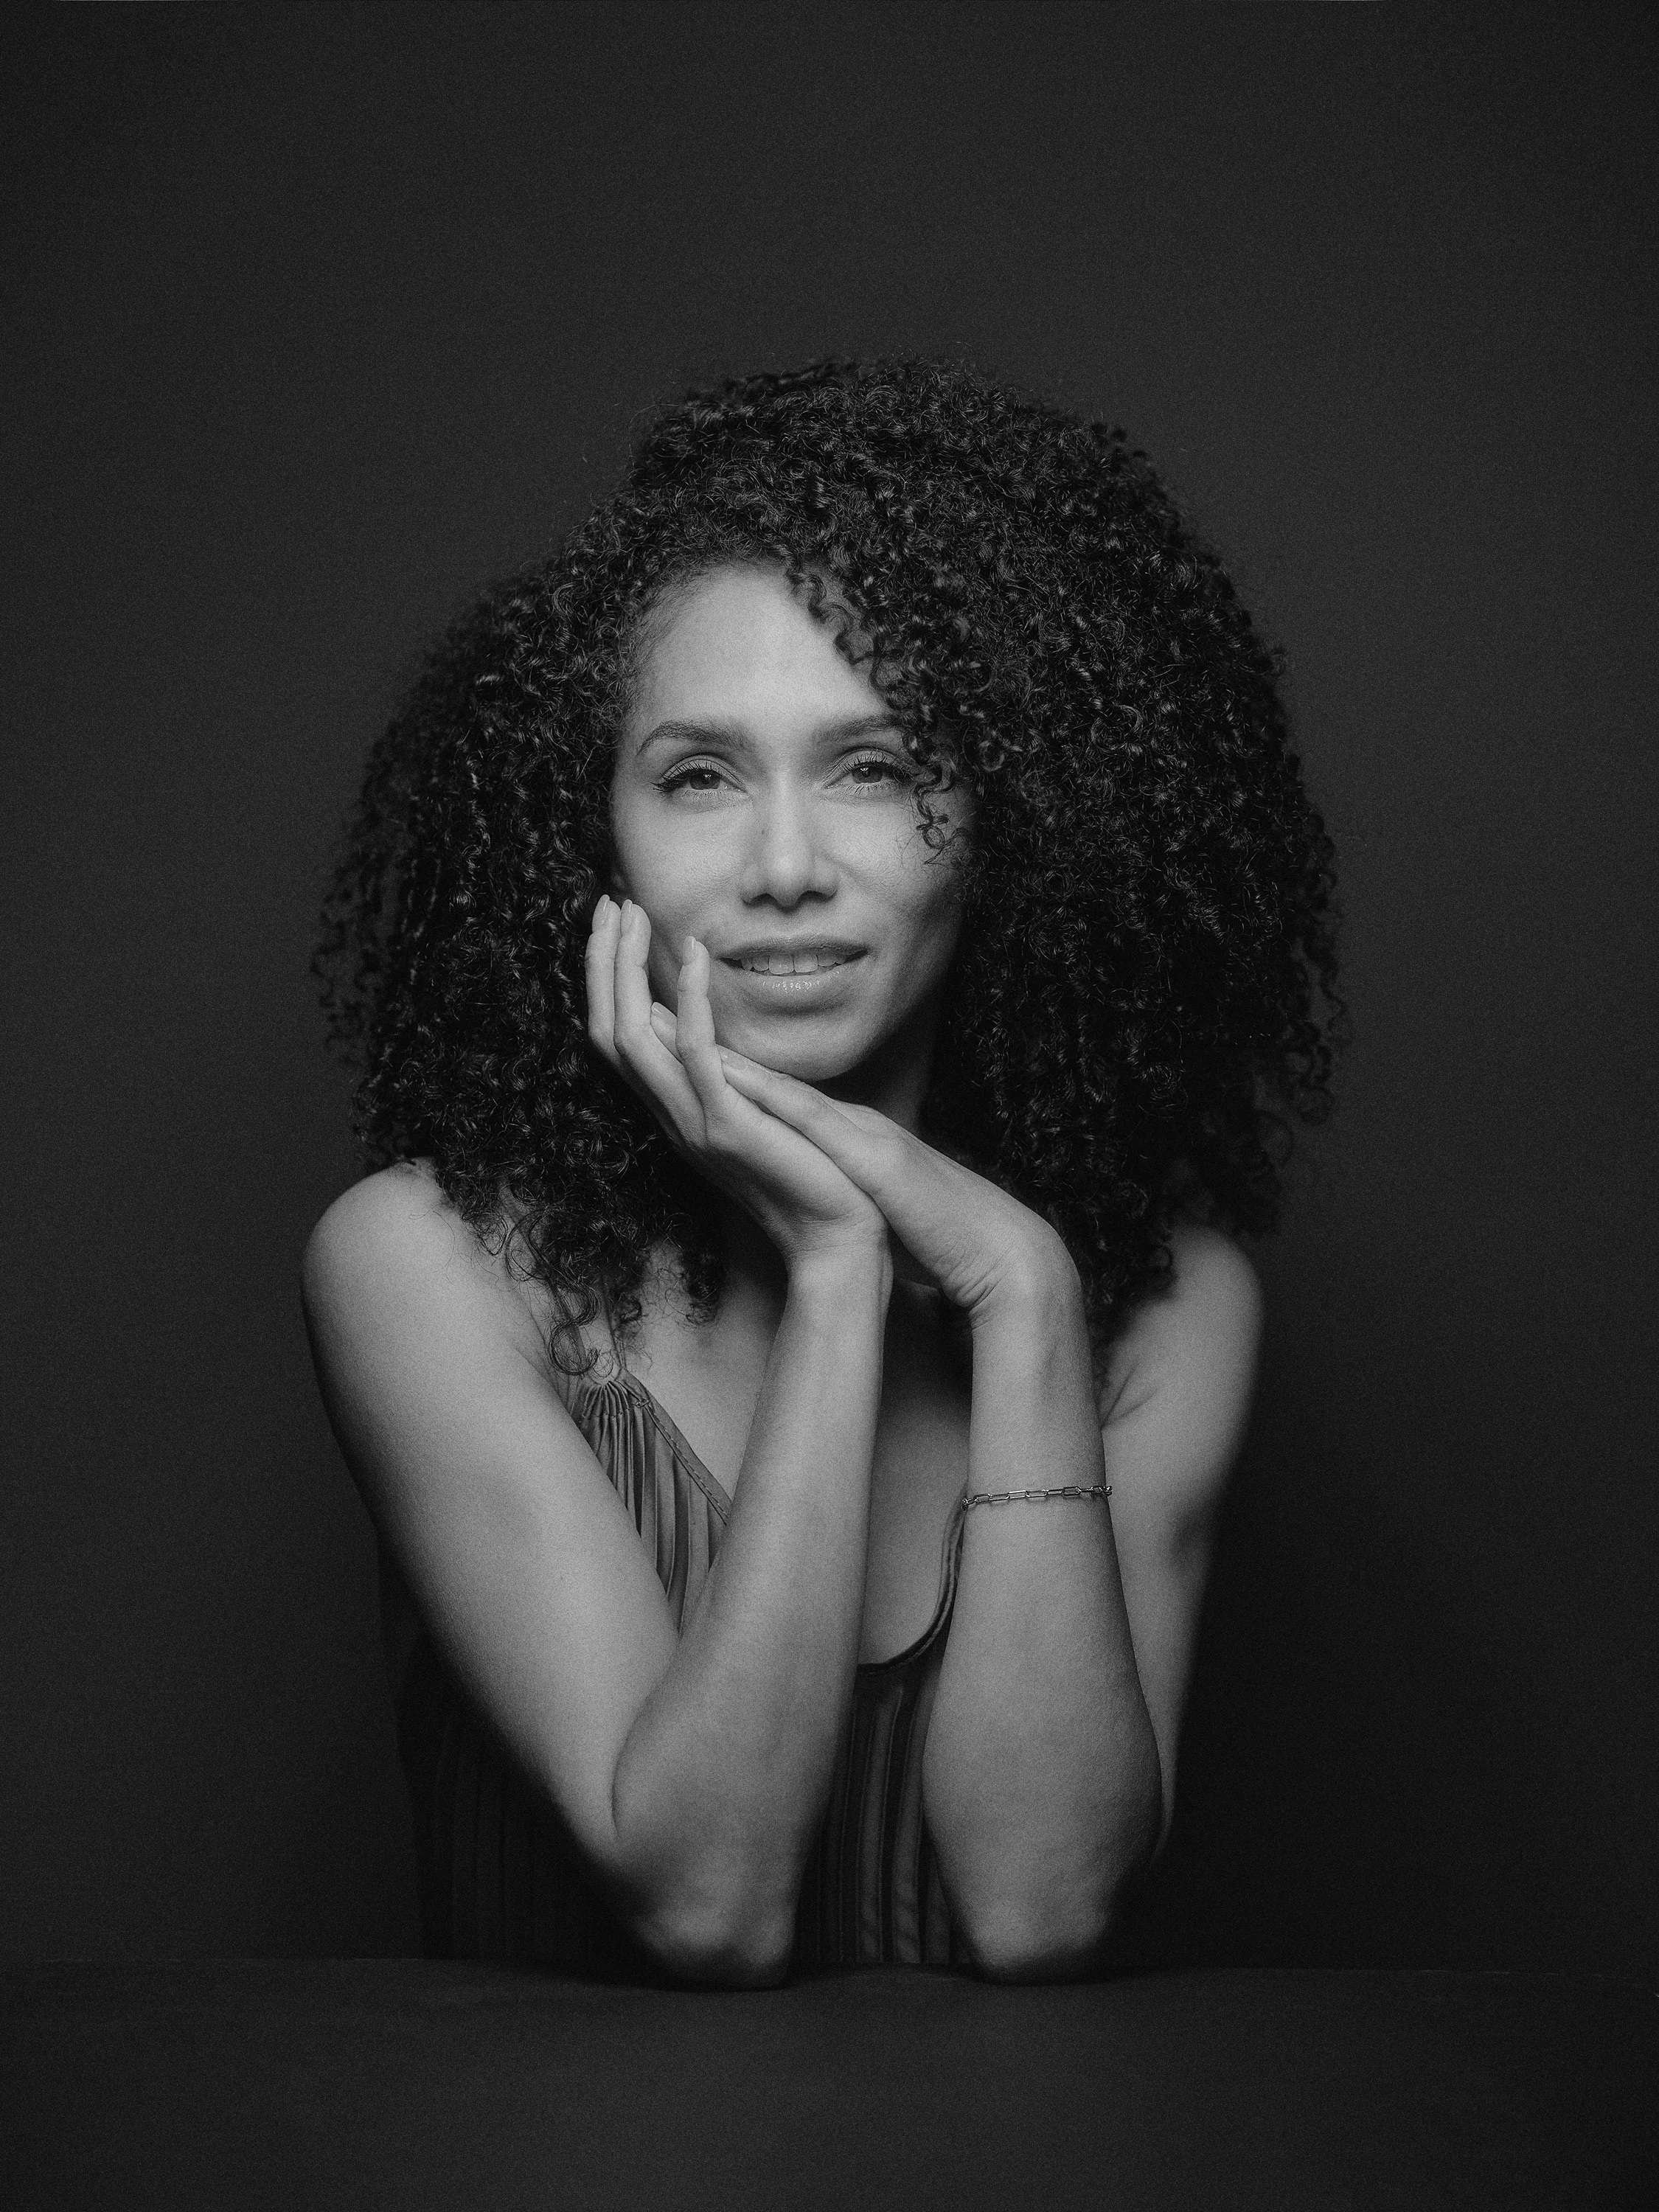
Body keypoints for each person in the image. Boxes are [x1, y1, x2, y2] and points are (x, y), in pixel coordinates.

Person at [303, 357, 1343, 1987]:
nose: (786, 868)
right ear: (597, 842)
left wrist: (1022, 1295)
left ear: (1017, 819)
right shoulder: (428, 1270)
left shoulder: (1162, 1311)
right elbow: (705, 1900)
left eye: (877, 766)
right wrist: (846, 1270)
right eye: (699, 776)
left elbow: (1038, 1908)